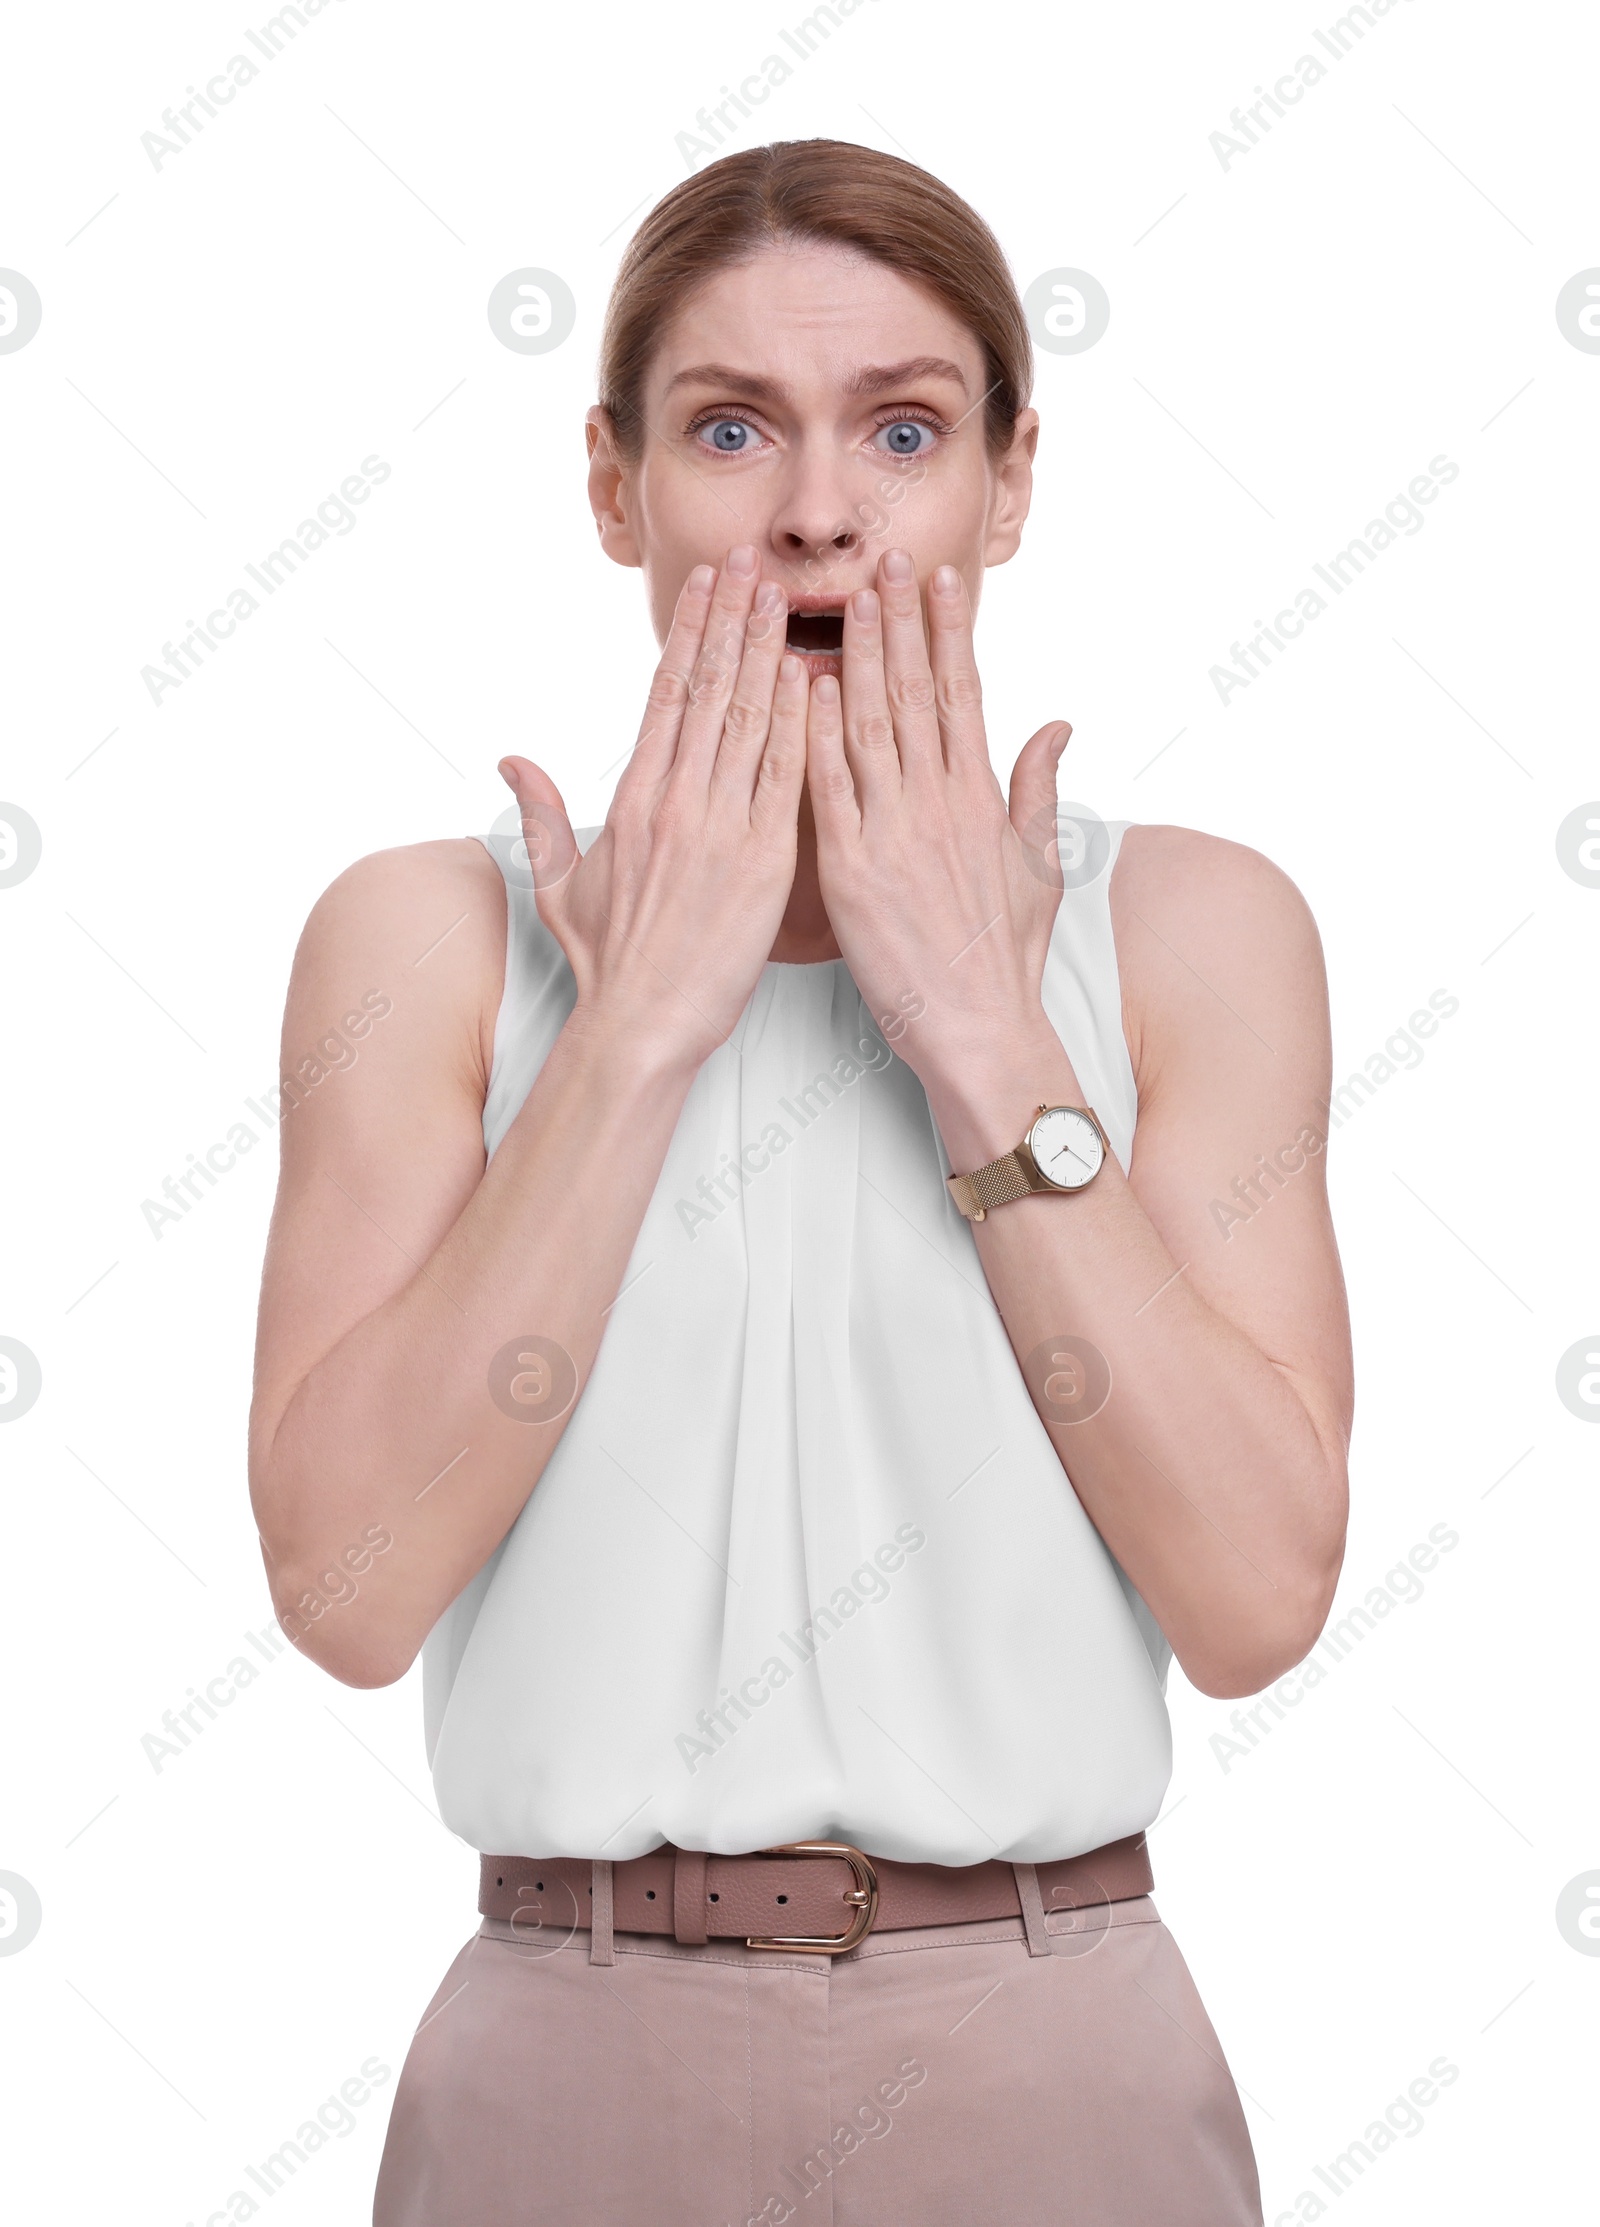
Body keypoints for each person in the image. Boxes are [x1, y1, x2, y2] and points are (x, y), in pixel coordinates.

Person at [248, 138, 1351, 2226]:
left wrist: (981, 1036)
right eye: (729, 428)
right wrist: (638, 1026)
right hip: (562, 2053)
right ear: (612, 489)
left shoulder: (1199, 932)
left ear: (1008, 483)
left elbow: (1251, 1599)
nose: (820, 509)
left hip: (1047, 2042)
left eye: (905, 429)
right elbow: (342, 1590)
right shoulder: (419, 945)